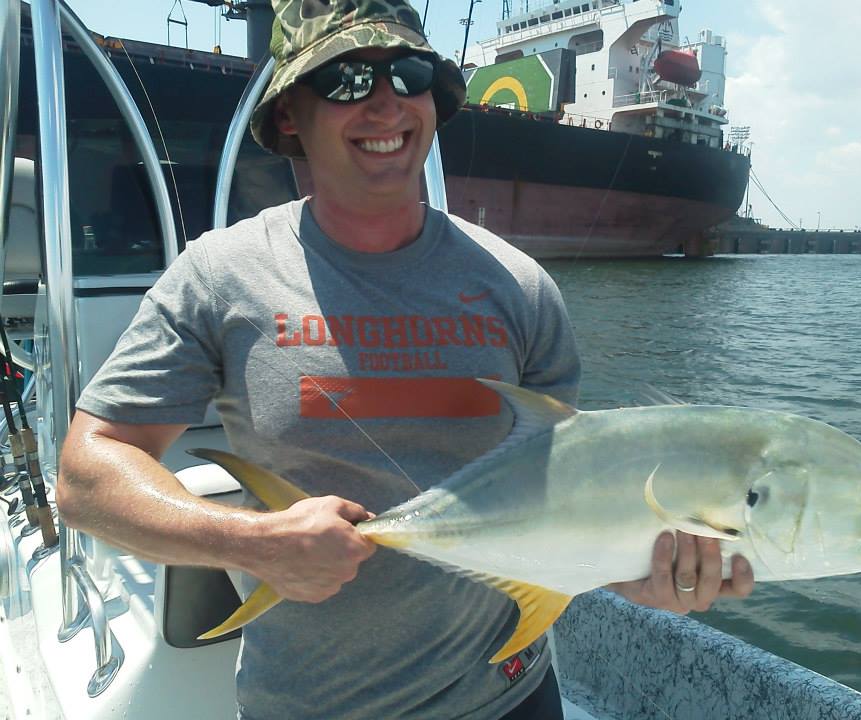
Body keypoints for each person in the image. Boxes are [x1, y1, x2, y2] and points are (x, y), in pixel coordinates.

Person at [57, 2, 754, 718]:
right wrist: (250, 542)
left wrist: (635, 571)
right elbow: (85, 475)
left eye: (410, 73)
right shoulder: (218, 276)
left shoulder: (520, 287)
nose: (386, 102)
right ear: (290, 113)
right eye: (347, 79)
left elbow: (559, 507)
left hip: (513, 698)